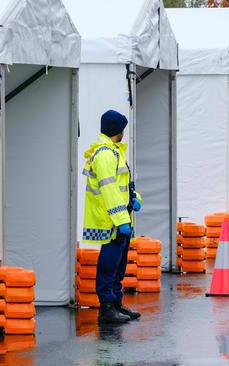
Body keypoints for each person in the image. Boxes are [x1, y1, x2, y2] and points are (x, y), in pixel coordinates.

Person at [82, 110, 142, 324]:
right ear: (118, 130)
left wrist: (135, 198)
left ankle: (116, 302)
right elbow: (109, 191)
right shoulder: (106, 154)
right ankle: (106, 307)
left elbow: (122, 185)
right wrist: (122, 220)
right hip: (110, 219)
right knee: (109, 262)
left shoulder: (114, 152)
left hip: (120, 216)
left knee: (119, 262)